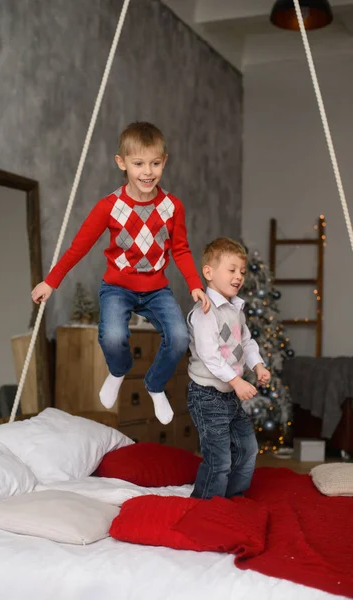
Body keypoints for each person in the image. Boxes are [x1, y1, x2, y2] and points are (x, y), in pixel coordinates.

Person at [31, 122, 209, 424]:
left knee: (179, 338)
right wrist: (51, 280)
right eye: (138, 163)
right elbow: (79, 246)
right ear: (122, 163)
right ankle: (118, 371)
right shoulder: (110, 207)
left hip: (156, 290)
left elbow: (180, 249)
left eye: (155, 163)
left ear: (164, 162)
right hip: (118, 287)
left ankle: (154, 386)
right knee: (113, 337)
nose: (147, 172)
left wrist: (195, 283)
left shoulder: (172, 206)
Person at [187, 237, 271, 498]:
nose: (239, 277)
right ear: (209, 272)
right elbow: (210, 356)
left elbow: (246, 342)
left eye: (242, 272)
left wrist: (257, 365)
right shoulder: (204, 311)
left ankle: (233, 501)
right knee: (219, 459)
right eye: (232, 270)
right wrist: (236, 382)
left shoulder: (236, 310)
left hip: (229, 395)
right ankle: (206, 507)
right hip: (207, 394)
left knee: (248, 449)